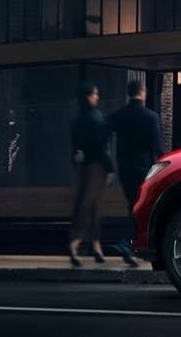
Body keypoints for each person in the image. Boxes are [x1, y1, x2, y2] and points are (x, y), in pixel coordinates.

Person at [107, 80, 163, 267]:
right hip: (144, 169)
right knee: (140, 206)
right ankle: (128, 242)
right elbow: (158, 148)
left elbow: (104, 134)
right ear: (142, 92)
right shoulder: (151, 117)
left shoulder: (119, 115)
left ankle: (131, 243)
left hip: (124, 168)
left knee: (134, 205)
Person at [68, 82, 115, 267]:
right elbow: (100, 146)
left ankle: (96, 246)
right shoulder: (95, 118)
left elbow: (76, 146)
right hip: (96, 168)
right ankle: (75, 242)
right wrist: (110, 168)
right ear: (88, 96)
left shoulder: (78, 118)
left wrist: (77, 155)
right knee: (89, 205)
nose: (98, 97)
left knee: (92, 205)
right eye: (95, 94)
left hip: (83, 168)